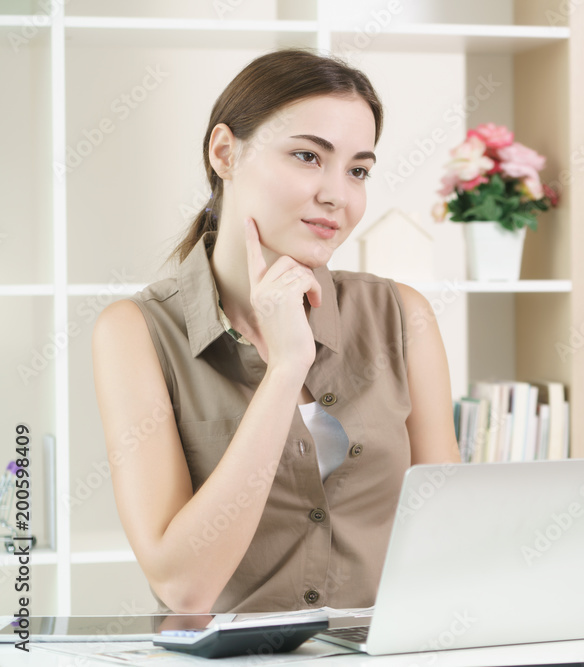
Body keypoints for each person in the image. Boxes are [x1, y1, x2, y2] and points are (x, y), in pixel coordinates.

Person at [92, 48, 460, 615]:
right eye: (309, 156)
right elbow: (183, 587)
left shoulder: (402, 315)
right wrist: (287, 368)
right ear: (225, 152)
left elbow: (449, 539)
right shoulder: (136, 333)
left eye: (357, 170)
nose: (337, 194)